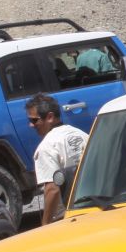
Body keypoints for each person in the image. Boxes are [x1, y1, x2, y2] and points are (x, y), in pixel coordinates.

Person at [25, 93, 87, 226]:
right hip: (94, 208)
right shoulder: (82, 135)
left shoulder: (46, 148)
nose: (31, 125)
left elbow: (52, 189)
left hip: (67, 219)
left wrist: (45, 224)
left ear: (50, 117)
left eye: (34, 120)